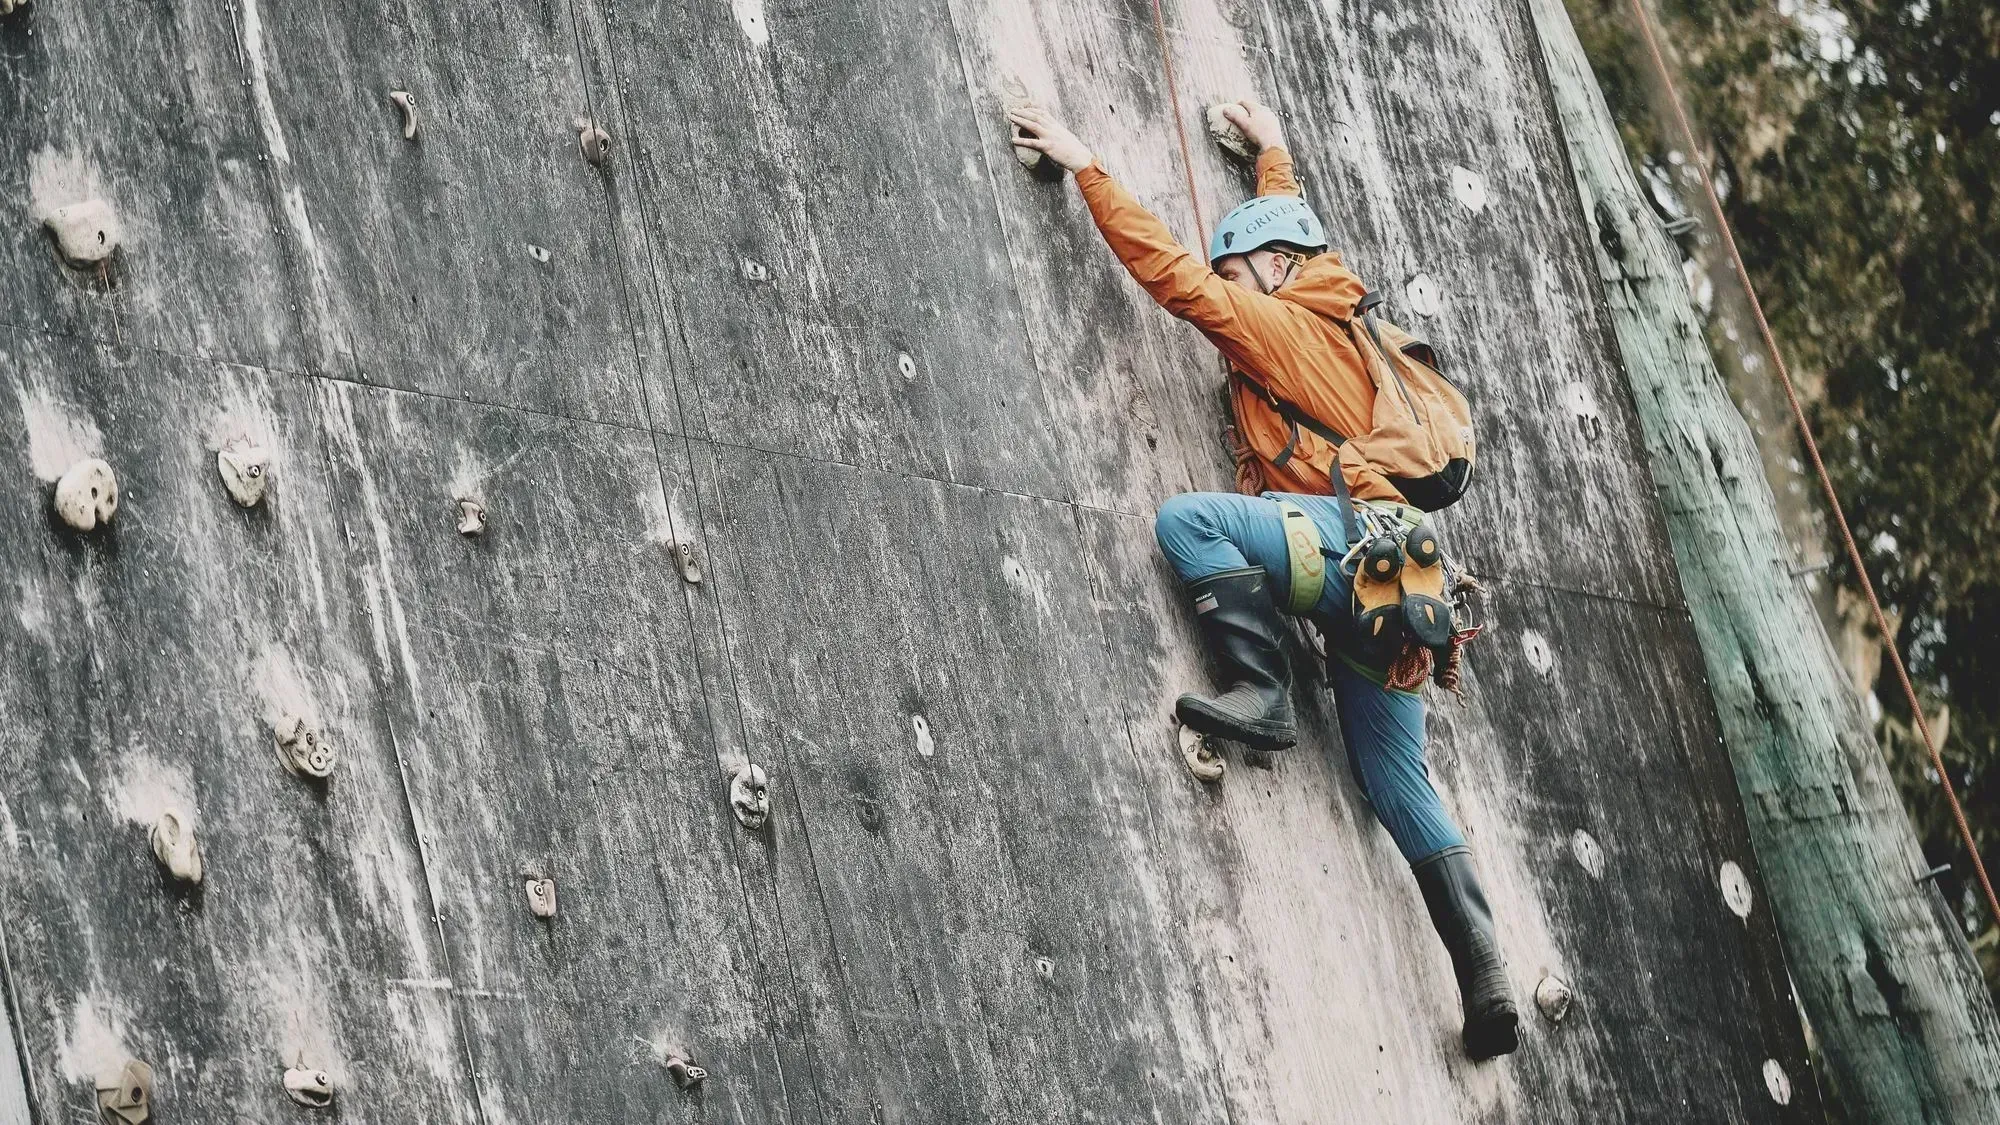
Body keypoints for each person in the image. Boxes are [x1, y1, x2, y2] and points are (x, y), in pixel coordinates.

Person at [1008, 100, 1518, 1061]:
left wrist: (1088, 165)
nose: (1234, 287)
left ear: (1274, 271)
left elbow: (1181, 281)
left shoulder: (1279, 323)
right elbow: (1277, 231)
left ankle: (1266, 689)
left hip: (1344, 545)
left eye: (1246, 270)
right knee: (1393, 776)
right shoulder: (1334, 310)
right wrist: (1271, 152)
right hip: (1396, 580)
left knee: (1189, 521)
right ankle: (1486, 974)